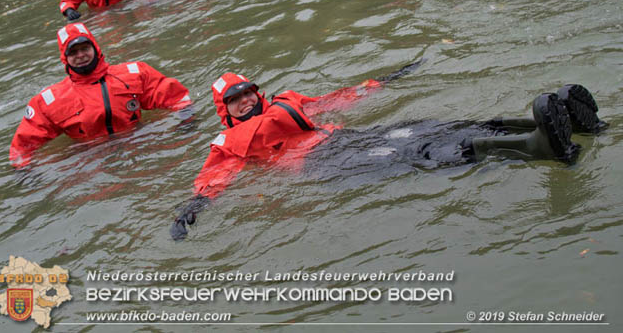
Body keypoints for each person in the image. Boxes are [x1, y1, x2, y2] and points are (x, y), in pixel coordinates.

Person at [170, 67, 606, 239]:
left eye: (248, 93)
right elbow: (216, 176)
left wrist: (381, 82)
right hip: (326, 165)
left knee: (430, 129)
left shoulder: (287, 100)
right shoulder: (228, 142)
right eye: (235, 100)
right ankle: (538, 148)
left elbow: (336, 100)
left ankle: (543, 121)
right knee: (424, 153)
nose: (245, 102)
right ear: (223, 110)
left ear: (257, 91)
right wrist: (192, 208)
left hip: (345, 140)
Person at [9, 23, 192, 168]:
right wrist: (24, 169)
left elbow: (172, 95)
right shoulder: (48, 100)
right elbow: (25, 141)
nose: (80, 55)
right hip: (90, 161)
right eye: (73, 52)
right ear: (65, 58)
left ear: (95, 48)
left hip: (139, 143)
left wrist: (186, 117)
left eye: (84, 48)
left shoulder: (134, 73)